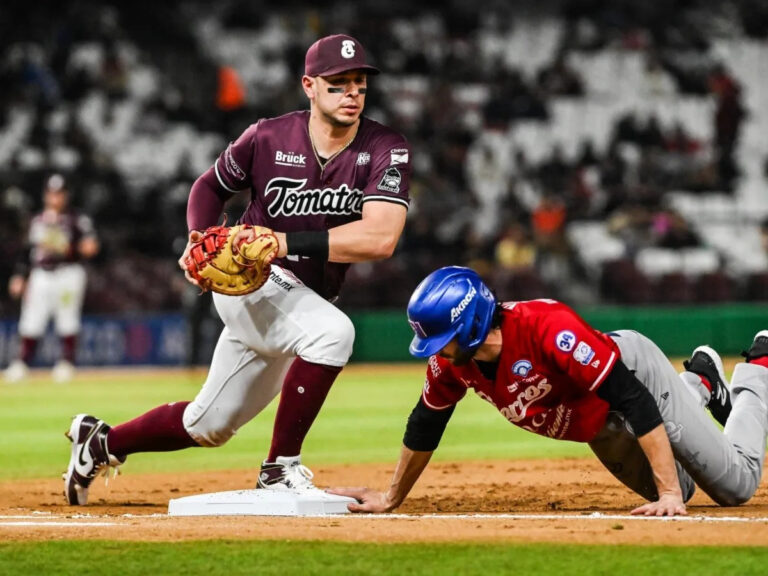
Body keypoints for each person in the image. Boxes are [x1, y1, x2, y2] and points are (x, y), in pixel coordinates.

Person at [63, 34, 411, 505]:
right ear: (308, 85)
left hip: (300, 298)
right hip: (249, 277)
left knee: (208, 425)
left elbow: (380, 238)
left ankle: (100, 443)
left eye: (359, 83)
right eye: (337, 83)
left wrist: (284, 241)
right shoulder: (267, 136)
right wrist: (199, 240)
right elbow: (208, 187)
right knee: (333, 335)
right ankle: (279, 470)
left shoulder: (385, 147)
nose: (351, 93)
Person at [330, 266, 768, 516]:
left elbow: (631, 396)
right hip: (598, 425)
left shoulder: (547, 329)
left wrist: (669, 494)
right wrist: (391, 497)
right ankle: (700, 383)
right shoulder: (452, 363)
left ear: (472, 325)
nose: (436, 351)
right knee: (683, 489)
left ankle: (757, 372)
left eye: (442, 338)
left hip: (633, 376)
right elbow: (425, 422)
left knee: (735, 487)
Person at [3, 174, 99, 383]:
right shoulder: (37, 220)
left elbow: (92, 246)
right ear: (46, 195)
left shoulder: (76, 219)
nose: (56, 198)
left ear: (66, 195)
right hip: (40, 274)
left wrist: (70, 248)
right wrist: (20, 276)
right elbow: (26, 251)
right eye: (52, 193)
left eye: (60, 193)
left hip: (68, 272)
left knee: (67, 317)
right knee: (31, 319)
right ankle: (22, 363)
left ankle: (66, 363)